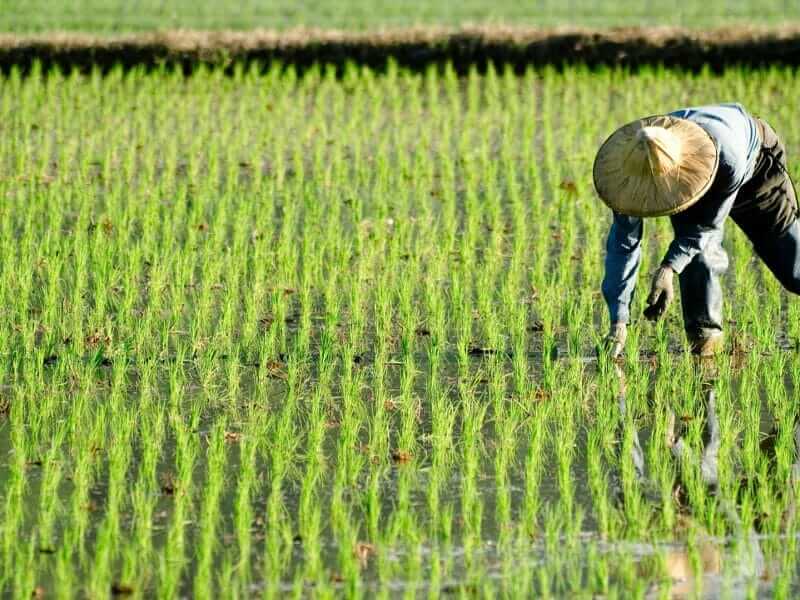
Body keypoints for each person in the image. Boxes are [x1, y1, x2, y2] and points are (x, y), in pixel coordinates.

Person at [593, 103, 800, 357]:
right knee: (697, 260)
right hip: (688, 166)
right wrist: (619, 319)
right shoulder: (629, 174)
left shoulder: (728, 159)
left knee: (792, 267)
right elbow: (623, 244)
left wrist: (669, 267)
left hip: (754, 161)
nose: (655, 196)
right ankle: (705, 343)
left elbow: (705, 228)